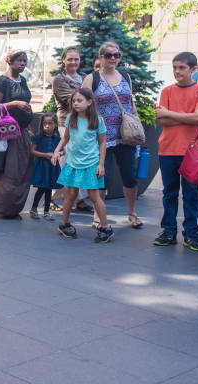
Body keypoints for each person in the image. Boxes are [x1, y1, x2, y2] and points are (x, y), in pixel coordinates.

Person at [82, 41, 143, 229]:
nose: (113, 58)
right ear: (101, 57)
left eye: (117, 55)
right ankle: (98, 215)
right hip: (102, 137)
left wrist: (138, 127)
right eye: (109, 55)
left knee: (129, 176)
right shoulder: (93, 79)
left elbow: (130, 104)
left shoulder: (125, 76)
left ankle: (132, 213)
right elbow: (81, 105)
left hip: (126, 135)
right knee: (102, 177)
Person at [153, 52, 198, 252]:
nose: (177, 71)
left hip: (191, 151)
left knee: (191, 194)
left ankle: (191, 233)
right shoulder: (167, 91)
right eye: (175, 67)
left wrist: (169, 113)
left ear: (193, 70)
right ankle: (168, 231)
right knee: (169, 193)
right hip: (168, 149)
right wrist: (185, 116)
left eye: (182, 68)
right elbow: (163, 120)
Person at [52, 88, 113, 242]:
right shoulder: (71, 118)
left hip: (91, 164)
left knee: (94, 196)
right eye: (74, 101)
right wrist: (57, 151)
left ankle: (105, 227)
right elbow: (65, 138)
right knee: (71, 194)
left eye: (79, 100)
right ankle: (64, 224)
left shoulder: (97, 120)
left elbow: (102, 143)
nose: (76, 103)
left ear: (89, 102)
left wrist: (101, 164)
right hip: (73, 163)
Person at [0, 50, 34, 217]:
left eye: (24, 61)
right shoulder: (2, 81)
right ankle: (4, 207)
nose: (22, 64)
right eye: (18, 60)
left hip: (22, 132)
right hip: (7, 134)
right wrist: (14, 104)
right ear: (9, 62)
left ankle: (14, 207)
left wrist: (29, 126)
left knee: (21, 172)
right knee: (9, 172)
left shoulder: (23, 80)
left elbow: (26, 104)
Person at [51, 46, 92, 213]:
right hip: (66, 124)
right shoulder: (59, 79)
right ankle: (55, 199)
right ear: (64, 61)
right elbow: (72, 100)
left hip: (84, 124)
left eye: (76, 59)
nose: (73, 62)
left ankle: (80, 199)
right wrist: (87, 97)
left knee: (80, 162)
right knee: (65, 162)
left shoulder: (84, 77)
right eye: (70, 59)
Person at [29, 113, 63, 220]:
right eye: (45, 124)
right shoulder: (38, 137)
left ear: (56, 124)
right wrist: (45, 155)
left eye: (50, 123)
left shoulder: (58, 138)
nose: (47, 126)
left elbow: (63, 151)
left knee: (49, 189)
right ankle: (34, 209)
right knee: (41, 188)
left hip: (52, 166)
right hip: (42, 166)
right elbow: (32, 151)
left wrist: (58, 154)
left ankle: (46, 211)